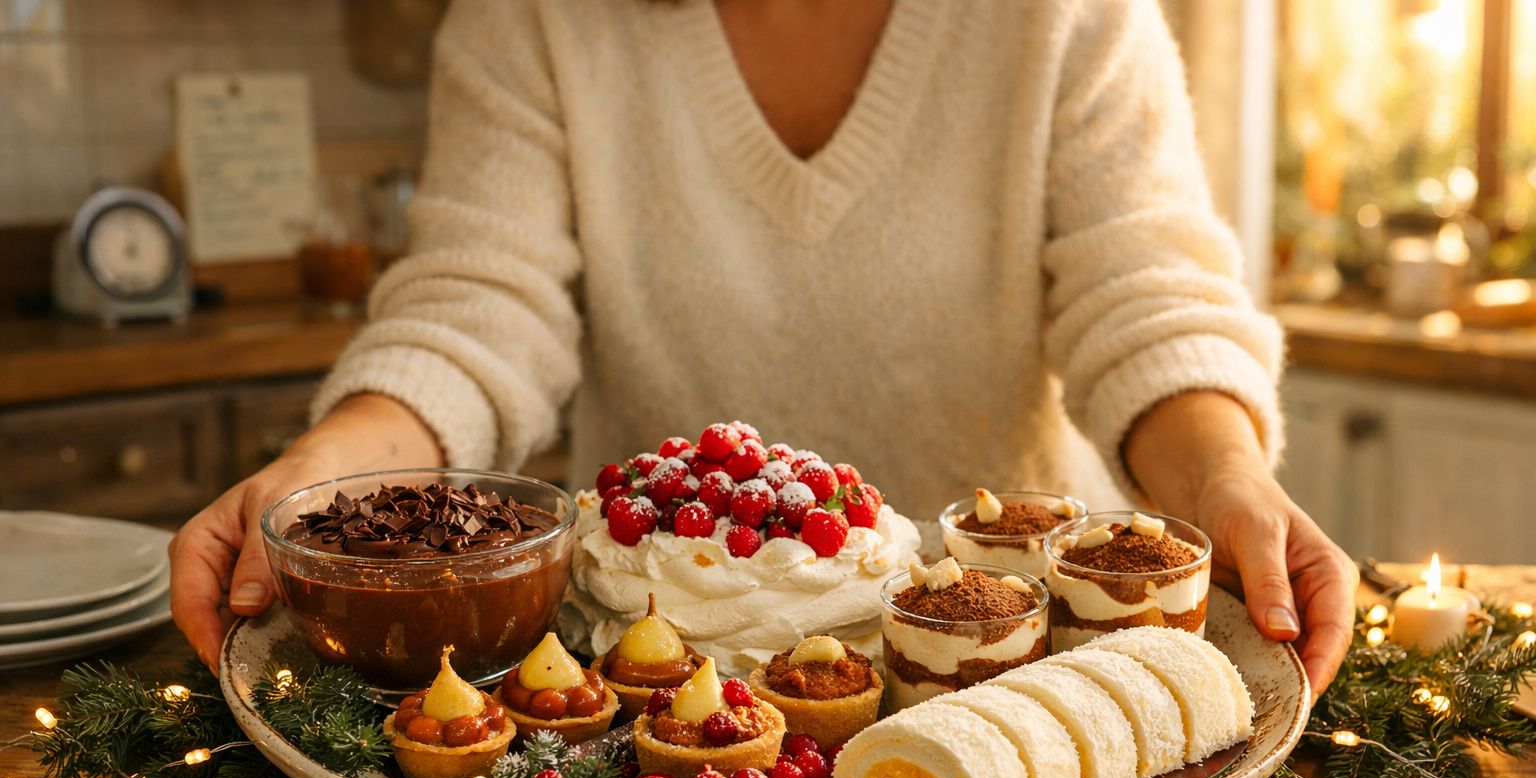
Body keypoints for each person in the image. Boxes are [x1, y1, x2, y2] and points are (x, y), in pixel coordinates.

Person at [170, 0, 1358, 694]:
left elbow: (1145, 298)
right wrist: (326, 478)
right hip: (650, 675)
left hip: (1015, 659)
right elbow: (478, 308)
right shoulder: (532, 19)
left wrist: (1226, 482)